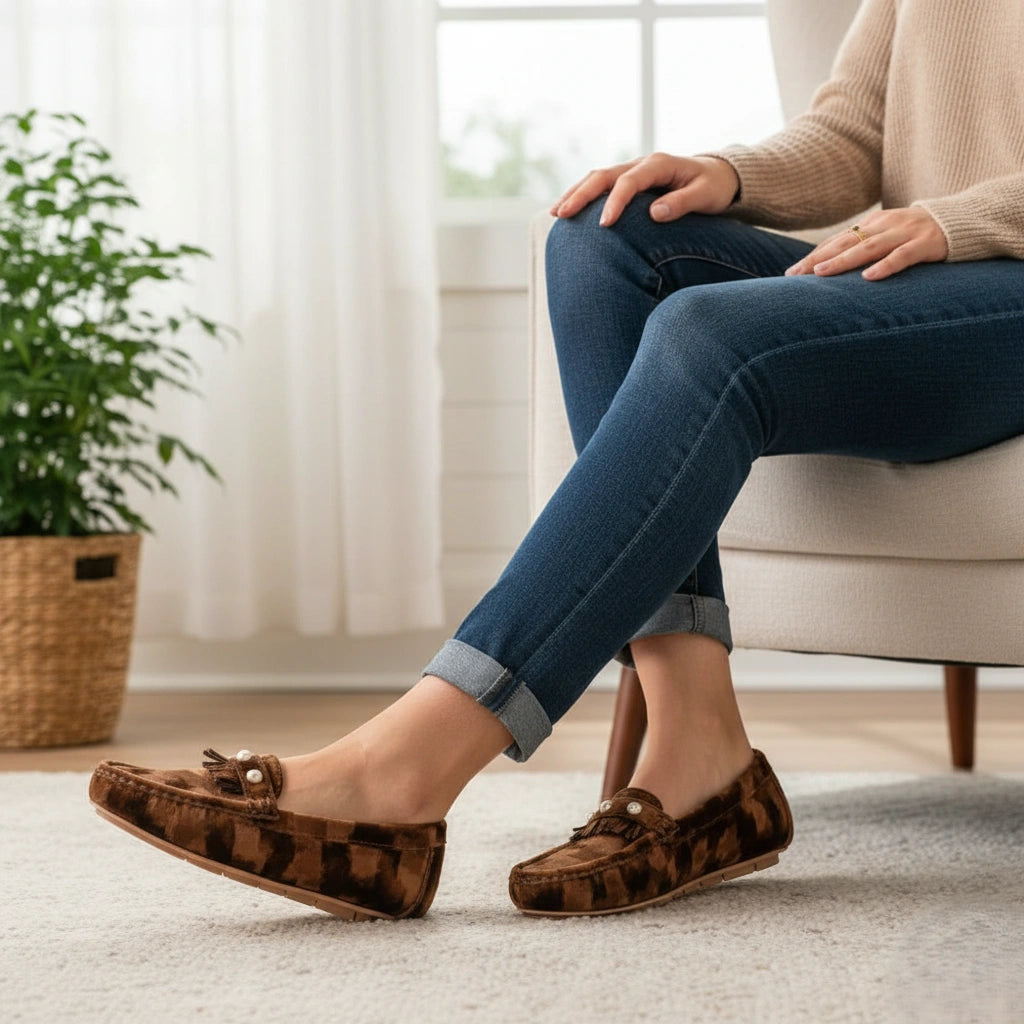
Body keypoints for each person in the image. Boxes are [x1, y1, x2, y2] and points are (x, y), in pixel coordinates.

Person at [90, 0, 1024, 920]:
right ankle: (700, 749)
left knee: (709, 333)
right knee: (604, 235)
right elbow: (857, 131)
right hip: (922, 276)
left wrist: (965, 219)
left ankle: (402, 773)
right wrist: (723, 173)